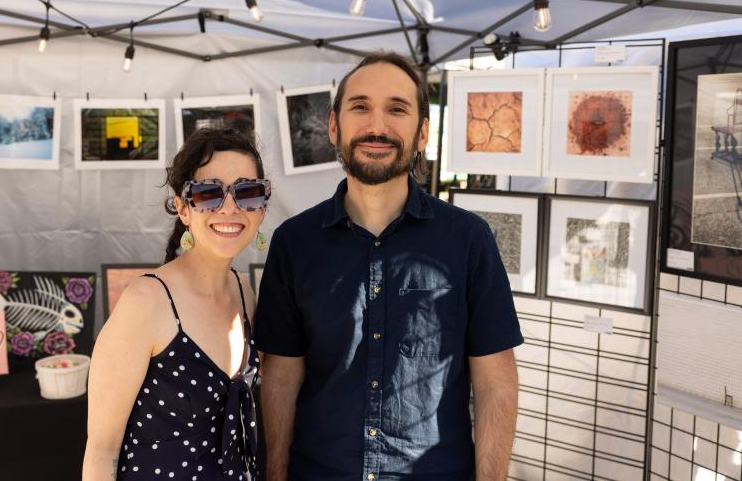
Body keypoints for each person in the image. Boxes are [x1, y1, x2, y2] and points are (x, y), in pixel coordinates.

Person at [255, 52, 523, 481]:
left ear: (422, 133)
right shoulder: (294, 243)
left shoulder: (468, 240)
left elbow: (495, 384)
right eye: (360, 107)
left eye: (396, 109)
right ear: (333, 126)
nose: (377, 126)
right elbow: (281, 378)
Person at [83, 128, 270, 481]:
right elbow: (101, 450)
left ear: (261, 209)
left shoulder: (245, 292)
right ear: (183, 209)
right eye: (209, 193)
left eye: (247, 192)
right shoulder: (147, 302)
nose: (229, 207)